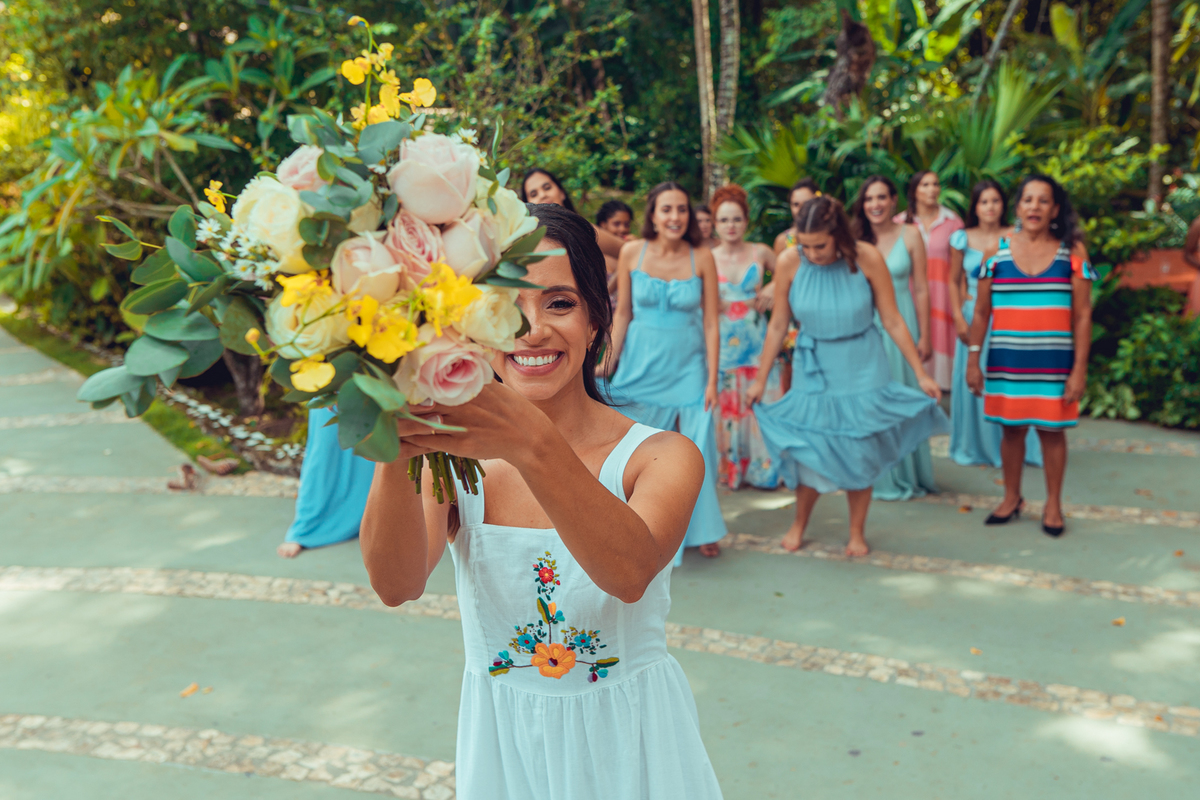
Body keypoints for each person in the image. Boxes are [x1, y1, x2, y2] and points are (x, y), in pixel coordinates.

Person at [359, 204, 724, 799]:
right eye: (504, 308)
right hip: (505, 751)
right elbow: (396, 584)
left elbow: (627, 573)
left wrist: (531, 443)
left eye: (559, 303)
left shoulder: (660, 456)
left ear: (597, 318)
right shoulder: (451, 460)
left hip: (631, 748)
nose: (531, 332)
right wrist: (393, 428)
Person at [747, 197, 947, 557]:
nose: (812, 253)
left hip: (862, 363)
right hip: (814, 364)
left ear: (838, 234)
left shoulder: (867, 256)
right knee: (810, 449)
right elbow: (778, 323)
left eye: (819, 245)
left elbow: (892, 319)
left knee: (860, 449)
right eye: (805, 245)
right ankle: (799, 523)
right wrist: (761, 379)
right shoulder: (791, 261)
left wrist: (921, 374)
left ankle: (856, 531)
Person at [604, 182, 728, 560]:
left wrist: (711, 379)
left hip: (689, 367)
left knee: (697, 445)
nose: (675, 217)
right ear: (653, 216)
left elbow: (710, 322)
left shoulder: (702, 256)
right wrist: (607, 366)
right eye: (667, 209)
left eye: (682, 210)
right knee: (633, 444)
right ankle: (628, 522)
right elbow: (622, 313)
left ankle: (702, 529)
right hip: (641, 364)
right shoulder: (630, 252)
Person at [967, 174, 1095, 538]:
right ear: (1018, 206)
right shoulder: (996, 250)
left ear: (1055, 209)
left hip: (1054, 364)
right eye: (1028, 200)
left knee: (1052, 433)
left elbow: (1084, 314)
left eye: (1043, 201)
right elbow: (980, 312)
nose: (1034, 207)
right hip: (1008, 361)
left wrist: (1080, 370)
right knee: (1011, 431)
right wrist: (972, 360)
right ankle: (1011, 498)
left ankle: (1053, 503)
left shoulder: (1074, 252)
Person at [851, 175, 936, 501]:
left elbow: (922, 288)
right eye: (869, 198)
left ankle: (910, 474)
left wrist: (925, 335)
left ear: (893, 200)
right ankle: (878, 476)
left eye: (882, 197)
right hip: (867, 329)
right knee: (872, 401)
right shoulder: (856, 239)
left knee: (905, 399)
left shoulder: (911, 234)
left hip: (903, 325)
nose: (876, 204)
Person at [948, 180, 1042, 469]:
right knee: (977, 378)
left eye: (995, 201)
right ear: (975, 207)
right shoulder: (961, 239)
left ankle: (1017, 445)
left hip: (1006, 314)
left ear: (1005, 206)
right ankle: (978, 446)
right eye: (983, 202)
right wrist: (958, 318)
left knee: (1009, 379)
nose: (990, 207)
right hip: (972, 314)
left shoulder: (1016, 236)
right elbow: (952, 281)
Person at [709, 183, 782, 489]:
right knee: (727, 406)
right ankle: (731, 470)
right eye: (724, 220)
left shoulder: (760, 251)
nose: (731, 226)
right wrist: (710, 300)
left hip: (757, 340)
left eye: (736, 219)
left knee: (762, 404)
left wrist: (772, 286)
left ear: (746, 221)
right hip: (723, 342)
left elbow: (792, 273)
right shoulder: (707, 257)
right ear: (715, 223)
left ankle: (765, 471)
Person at [276, 406, 376, 558]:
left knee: (372, 450)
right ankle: (306, 526)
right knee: (323, 451)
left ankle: (372, 512)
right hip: (329, 389)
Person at [900, 170, 964, 390]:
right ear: (914, 191)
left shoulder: (953, 222)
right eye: (925, 185)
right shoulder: (899, 223)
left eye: (935, 184)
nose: (932, 189)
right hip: (909, 295)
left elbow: (960, 268)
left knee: (941, 345)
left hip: (942, 296)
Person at [521, 167, 625, 293]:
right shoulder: (526, 246)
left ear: (562, 192)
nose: (543, 195)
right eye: (534, 194)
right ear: (527, 205)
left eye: (547, 187)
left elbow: (631, 251)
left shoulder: (585, 231)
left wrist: (606, 294)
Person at [773, 178, 821, 255]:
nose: (800, 209)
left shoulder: (831, 234)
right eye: (796, 204)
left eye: (806, 203)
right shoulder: (782, 240)